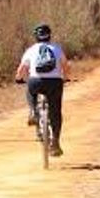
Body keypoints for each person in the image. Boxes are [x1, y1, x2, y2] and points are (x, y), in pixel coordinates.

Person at [15, 23, 70, 157]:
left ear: (36, 37)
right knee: (56, 112)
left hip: (36, 81)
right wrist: (65, 78)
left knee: (30, 89)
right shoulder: (56, 48)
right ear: (49, 35)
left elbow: (22, 69)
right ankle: (55, 143)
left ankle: (33, 110)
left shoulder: (31, 50)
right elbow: (65, 66)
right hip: (54, 83)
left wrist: (18, 78)